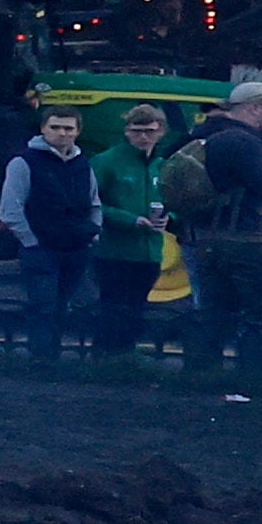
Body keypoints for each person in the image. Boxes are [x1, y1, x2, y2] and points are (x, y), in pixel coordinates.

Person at [177, 78, 262, 397]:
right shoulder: (243, 142)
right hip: (251, 241)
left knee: (215, 315)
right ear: (255, 107)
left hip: (209, 239)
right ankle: (259, 384)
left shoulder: (207, 134)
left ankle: (202, 380)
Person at [0, 105, 102, 363]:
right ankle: (42, 360)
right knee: (43, 308)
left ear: (78, 131)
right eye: (55, 127)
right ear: (43, 129)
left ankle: (53, 358)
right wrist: (31, 242)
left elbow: (94, 202)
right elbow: (10, 209)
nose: (62, 133)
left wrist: (92, 235)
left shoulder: (83, 164)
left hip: (76, 248)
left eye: (68, 128)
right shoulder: (23, 163)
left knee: (62, 307)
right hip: (42, 249)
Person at [88, 104, 176, 355]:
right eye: (137, 131)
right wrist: (129, 219)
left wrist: (170, 218)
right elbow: (90, 203)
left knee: (137, 309)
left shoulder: (163, 165)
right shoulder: (106, 161)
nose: (143, 137)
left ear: (161, 132)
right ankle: (105, 358)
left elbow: (177, 201)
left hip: (150, 252)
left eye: (150, 131)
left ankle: (126, 358)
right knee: (113, 309)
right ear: (126, 131)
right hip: (114, 250)